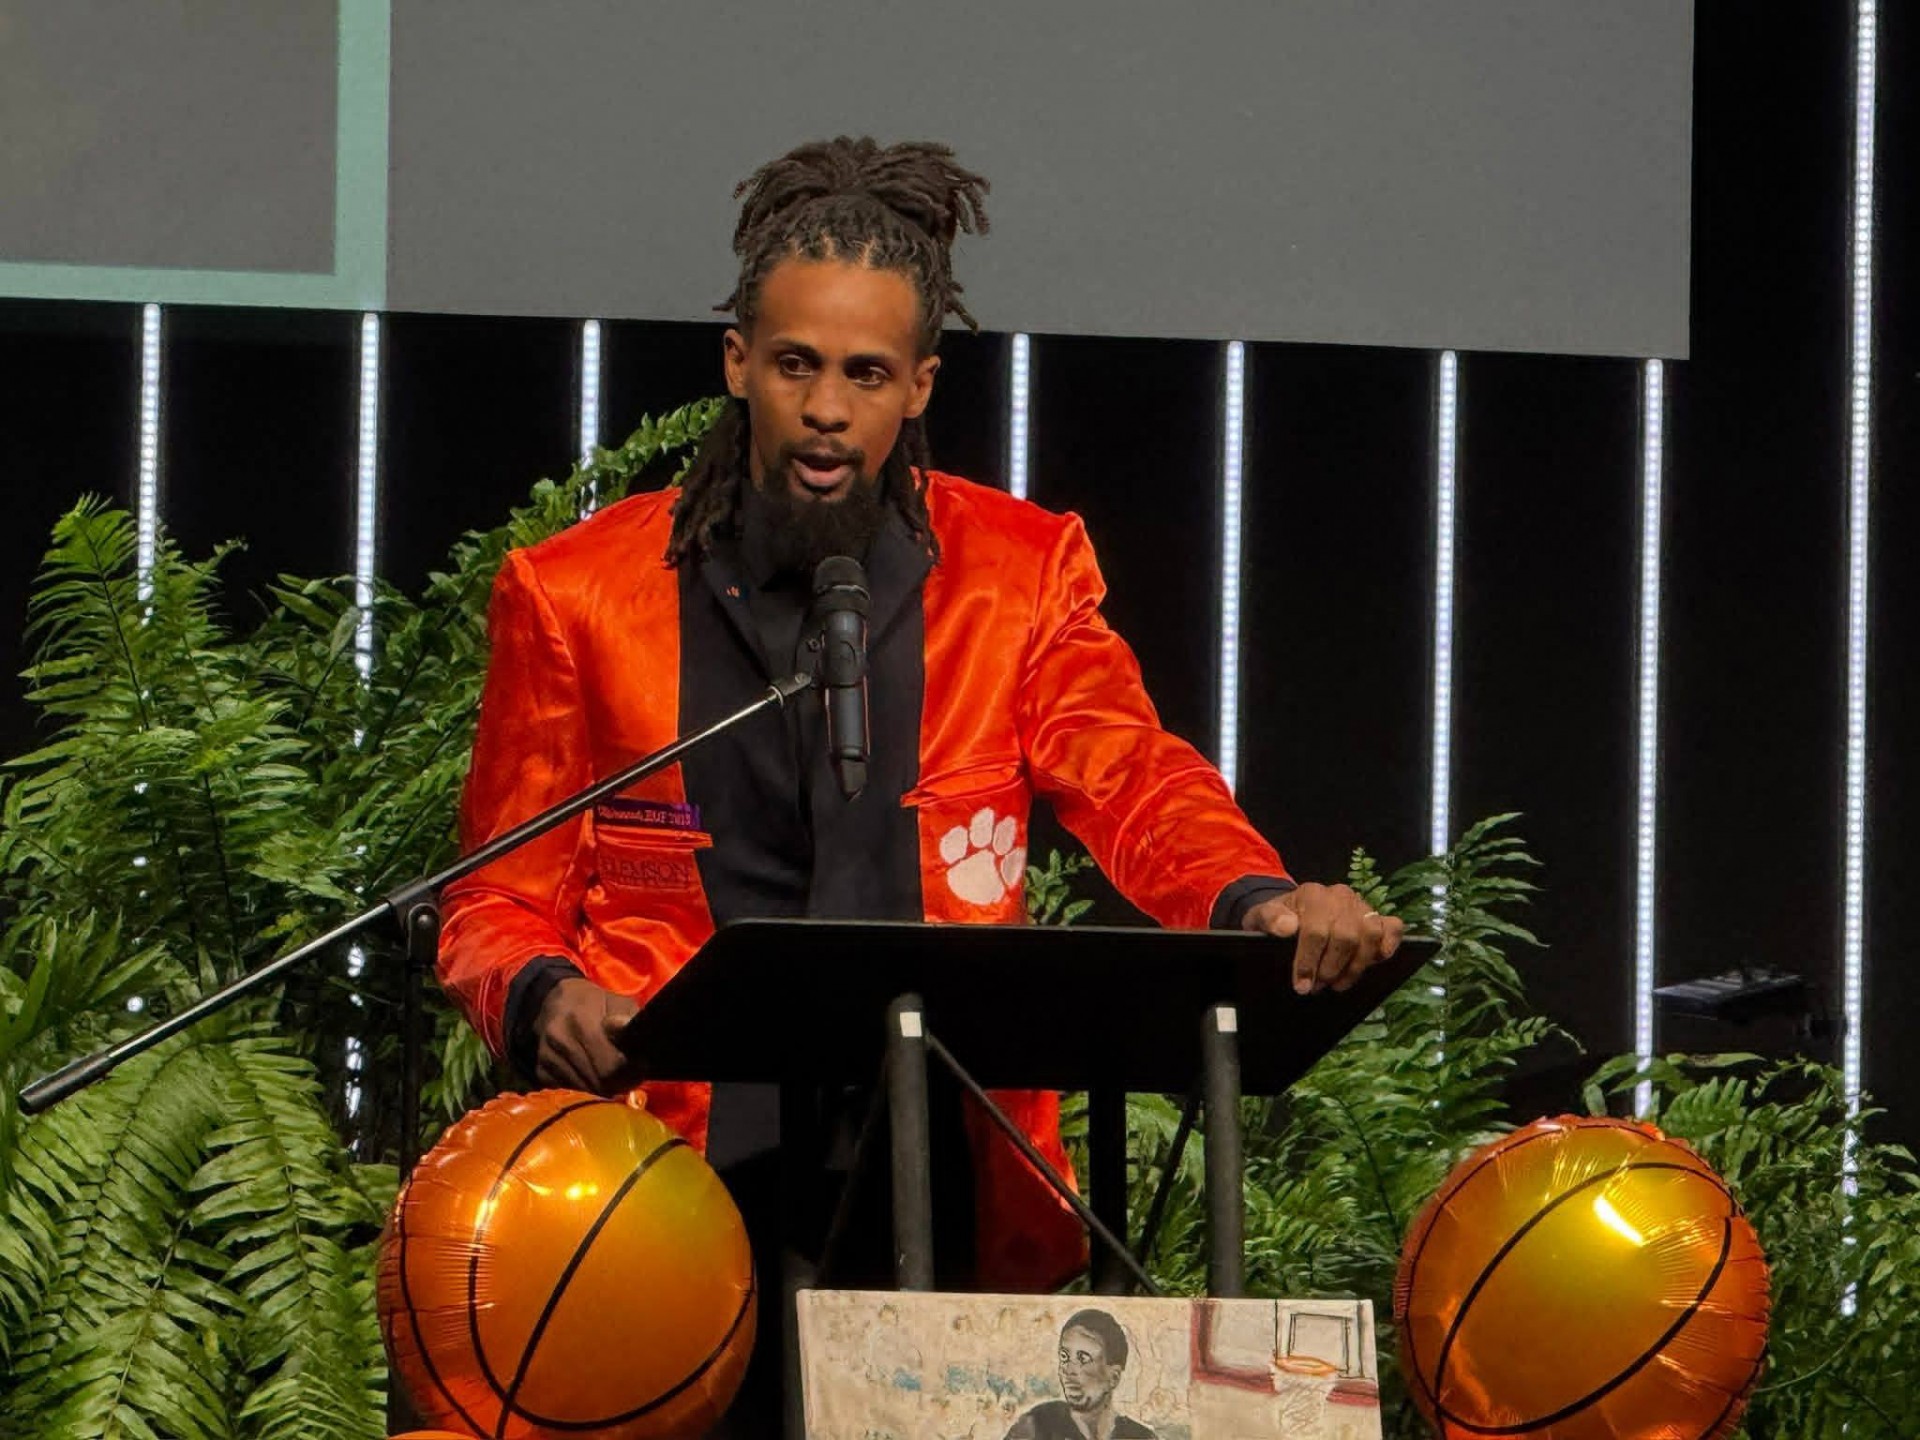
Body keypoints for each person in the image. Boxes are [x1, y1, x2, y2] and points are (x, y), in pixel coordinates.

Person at [436, 134, 1403, 1426]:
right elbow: (494, 901)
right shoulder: (574, 597)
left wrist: (1255, 898)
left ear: (918, 386)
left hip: (950, 1185)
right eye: (796, 364)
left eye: (866, 373)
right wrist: (545, 994)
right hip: (658, 1205)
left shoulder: (1018, 573)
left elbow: (1130, 775)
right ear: (737, 363)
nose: (827, 408)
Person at [1006, 1310, 1156, 1440]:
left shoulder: (1139, 1436)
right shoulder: (1037, 1425)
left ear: (1114, 1377)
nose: (1069, 1370)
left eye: (1083, 1358)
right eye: (1064, 1357)